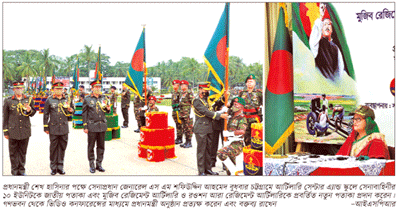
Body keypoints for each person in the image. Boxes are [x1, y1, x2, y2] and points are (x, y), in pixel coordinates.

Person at [193, 82, 228, 175]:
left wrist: (224, 97)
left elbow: (213, 108)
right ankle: (201, 171)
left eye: (208, 90)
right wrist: (220, 115)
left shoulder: (205, 100)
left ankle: (208, 169)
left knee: (209, 150)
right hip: (201, 128)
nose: (207, 92)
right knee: (201, 150)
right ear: (200, 89)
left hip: (209, 128)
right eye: (205, 90)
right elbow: (206, 112)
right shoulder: (197, 100)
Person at [3, 81, 36, 176]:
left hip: (25, 130)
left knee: (22, 151)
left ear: (23, 89)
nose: (19, 90)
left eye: (20, 88)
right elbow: (5, 117)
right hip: (13, 130)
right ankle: (14, 170)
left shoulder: (28, 99)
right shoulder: (8, 101)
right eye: (17, 88)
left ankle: (21, 170)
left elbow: (33, 113)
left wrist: (30, 110)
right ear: (13, 89)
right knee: (13, 152)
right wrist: (5, 131)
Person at [43, 82, 74, 175]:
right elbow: (46, 114)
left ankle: (60, 166)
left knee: (62, 147)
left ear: (63, 90)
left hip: (64, 127)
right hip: (53, 127)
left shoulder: (67, 99)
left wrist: (72, 110)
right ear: (54, 90)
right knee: (53, 148)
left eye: (60, 89)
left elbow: (72, 110)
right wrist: (45, 127)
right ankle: (53, 167)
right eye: (57, 89)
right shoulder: (49, 100)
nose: (59, 90)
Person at [309, 3, 345, 80]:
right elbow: (312, 40)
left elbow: (340, 70)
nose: (327, 26)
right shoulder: (317, 44)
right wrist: (321, 16)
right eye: (324, 24)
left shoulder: (336, 48)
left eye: (329, 24)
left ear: (332, 30)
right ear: (321, 29)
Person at [82, 80, 111, 173]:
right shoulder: (87, 99)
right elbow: (84, 113)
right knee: (91, 146)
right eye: (96, 87)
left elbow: (106, 111)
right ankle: (91, 165)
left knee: (101, 146)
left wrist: (108, 109)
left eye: (99, 87)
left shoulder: (104, 98)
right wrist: (85, 126)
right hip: (92, 125)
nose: (98, 89)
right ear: (92, 88)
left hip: (102, 125)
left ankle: (99, 164)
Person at [217, 97, 247, 175]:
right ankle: (233, 173)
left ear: (241, 107)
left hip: (237, 143)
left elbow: (242, 131)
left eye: (237, 105)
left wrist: (230, 134)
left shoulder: (242, 118)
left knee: (221, 153)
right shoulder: (230, 115)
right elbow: (223, 111)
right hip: (228, 142)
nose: (234, 106)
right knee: (228, 170)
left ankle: (235, 171)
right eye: (234, 104)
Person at [238, 74, 263, 146]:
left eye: (251, 81)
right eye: (248, 81)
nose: (250, 83)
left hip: (254, 118)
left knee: (256, 137)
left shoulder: (259, 93)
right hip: (245, 118)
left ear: (255, 83)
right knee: (246, 138)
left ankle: (255, 153)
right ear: (246, 83)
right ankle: (248, 153)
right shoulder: (242, 93)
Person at [178, 80, 194, 148]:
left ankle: (189, 142)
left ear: (186, 86)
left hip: (188, 114)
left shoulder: (189, 93)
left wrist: (192, 113)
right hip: (182, 114)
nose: (181, 86)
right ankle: (186, 141)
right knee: (184, 128)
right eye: (181, 85)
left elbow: (193, 103)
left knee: (189, 128)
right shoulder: (182, 93)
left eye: (183, 85)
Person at [171, 80, 183, 145]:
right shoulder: (174, 92)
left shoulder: (180, 93)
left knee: (179, 125)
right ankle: (178, 137)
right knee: (177, 125)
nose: (173, 86)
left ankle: (180, 138)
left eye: (175, 84)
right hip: (174, 110)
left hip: (178, 111)